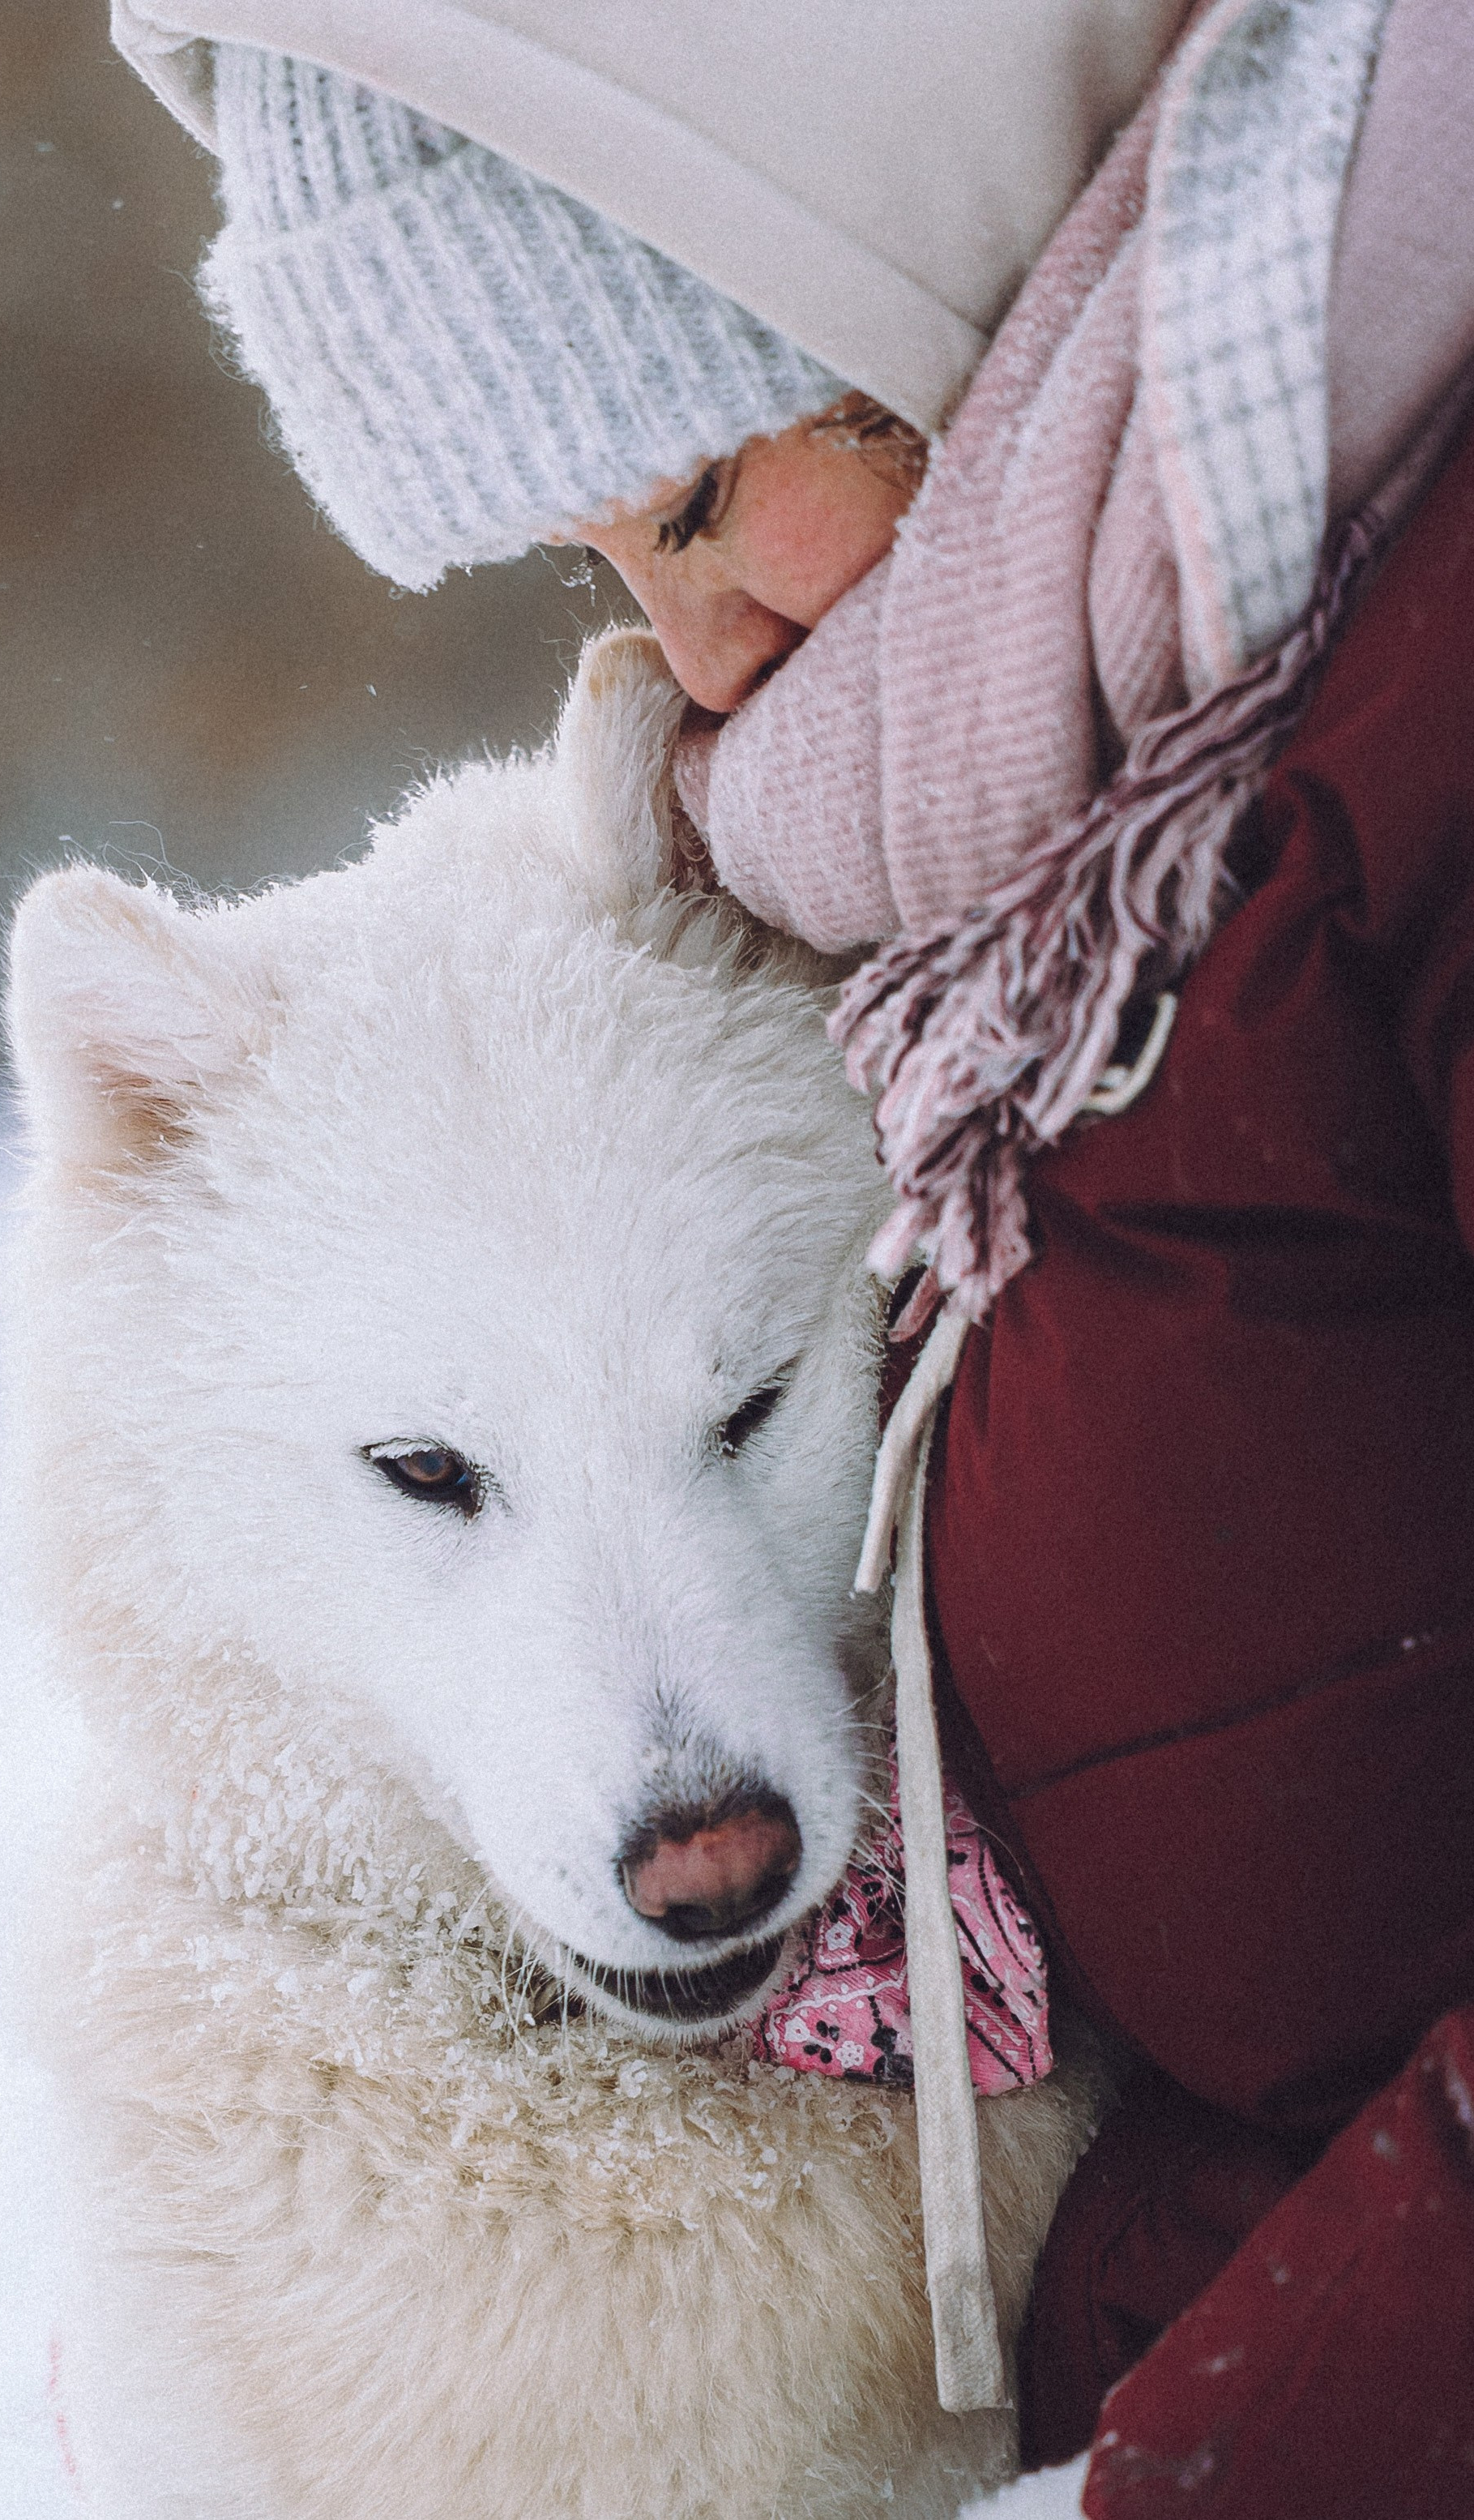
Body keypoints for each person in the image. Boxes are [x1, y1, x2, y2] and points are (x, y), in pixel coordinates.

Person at [111, 4, 1474, 2512]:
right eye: (604, 562)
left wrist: (1196, 2477)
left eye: (711, 486)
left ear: (881, 247)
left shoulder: (1362, 716)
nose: (695, 657)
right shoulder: (1027, 829)